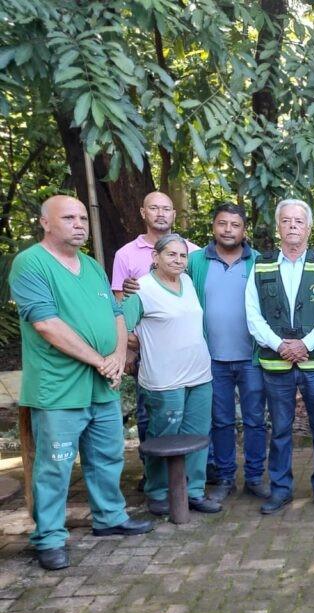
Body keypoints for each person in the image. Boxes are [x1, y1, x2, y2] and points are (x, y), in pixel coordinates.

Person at [9, 196, 152, 571]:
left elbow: (117, 314)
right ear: (45, 223)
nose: (79, 224)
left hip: (101, 385)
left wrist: (119, 356)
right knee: (55, 466)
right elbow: (46, 324)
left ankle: (110, 517)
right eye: (68, 217)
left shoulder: (90, 266)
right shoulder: (31, 264)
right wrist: (99, 360)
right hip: (58, 388)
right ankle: (50, 538)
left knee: (108, 456)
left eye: (82, 218)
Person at [244, 199, 314, 514]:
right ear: (278, 227)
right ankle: (281, 489)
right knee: (281, 429)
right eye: (286, 221)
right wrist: (279, 345)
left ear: (308, 227)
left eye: (298, 221)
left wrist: (306, 344)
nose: (292, 226)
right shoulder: (261, 265)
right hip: (277, 364)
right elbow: (252, 314)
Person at [122, 234, 221, 515]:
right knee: (163, 436)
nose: (178, 260)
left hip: (200, 374)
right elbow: (121, 326)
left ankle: (194, 491)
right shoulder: (141, 288)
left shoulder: (187, 283)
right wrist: (139, 344)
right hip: (164, 379)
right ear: (155, 257)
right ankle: (158, 492)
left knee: (198, 435)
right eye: (171, 255)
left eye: (182, 255)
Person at [187, 203, 269, 503]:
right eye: (223, 224)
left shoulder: (259, 262)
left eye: (235, 225)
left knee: (255, 420)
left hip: (251, 357)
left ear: (244, 229)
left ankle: (255, 477)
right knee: (220, 421)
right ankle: (224, 477)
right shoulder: (195, 261)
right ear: (213, 227)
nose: (228, 230)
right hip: (211, 358)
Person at [111, 192, 198, 470]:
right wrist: (127, 349)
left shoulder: (193, 252)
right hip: (146, 354)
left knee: (188, 419)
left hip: (189, 355)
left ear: (174, 214)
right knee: (150, 416)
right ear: (142, 212)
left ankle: (185, 480)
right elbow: (119, 306)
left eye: (166, 208)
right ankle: (154, 479)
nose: (160, 213)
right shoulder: (125, 254)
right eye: (154, 208)